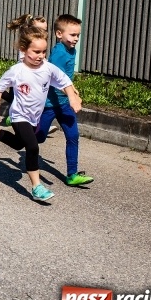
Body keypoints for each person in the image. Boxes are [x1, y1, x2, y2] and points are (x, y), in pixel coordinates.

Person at [0, 25, 82, 202]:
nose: (41, 56)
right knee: (32, 147)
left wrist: (72, 97)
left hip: (35, 117)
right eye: (36, 52)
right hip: (19, 116)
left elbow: (65, 82)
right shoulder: (16, 71)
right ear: (23, 50)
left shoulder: (48, 68)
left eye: (43, 52)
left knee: (18, 144)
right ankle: (37, 187)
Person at [35, 15, 93, 187]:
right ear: (59, 34)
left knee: (73, 136)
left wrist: (72, 91)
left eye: (78, 35)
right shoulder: (59, 52)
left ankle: (72, 174)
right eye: (72, 35)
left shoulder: (71, 50)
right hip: (49, 104)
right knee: (39, 137)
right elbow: (54, 78)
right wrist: (72, 95)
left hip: (64, 104)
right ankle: (21, 128)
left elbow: (66, 78)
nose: (75, 39)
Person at [0, 14, 52, 135]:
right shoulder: (27, 46)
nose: (42, 32)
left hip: (33, 79)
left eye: (45, 30)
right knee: (16, 99)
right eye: (39, 29)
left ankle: (37, 126)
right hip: (22, 78)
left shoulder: (40, 46)